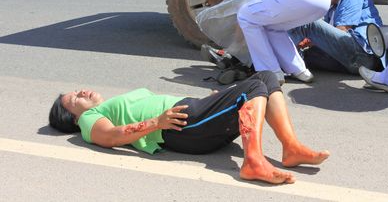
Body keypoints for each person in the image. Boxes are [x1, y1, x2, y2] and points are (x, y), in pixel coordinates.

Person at [49, 71, 330, 185]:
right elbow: (109, 137)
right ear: (72, 117)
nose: (81, 91)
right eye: (74, 98)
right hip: (182, 127)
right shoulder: (88, 121)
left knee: (267, 77)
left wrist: (210, 101)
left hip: (192, 114)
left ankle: (291, 148)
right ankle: (253, 161)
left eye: (76, 90)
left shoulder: (106, 105)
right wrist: (156, 123)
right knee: (255, 86)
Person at [235, 0, 331, 84]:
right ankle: (299, 70)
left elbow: (244, 0)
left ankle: (270, 72)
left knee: (245, 15)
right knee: (272, 26)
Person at [288, 0, 384, 75]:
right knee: (304, 55)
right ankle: (286, 65)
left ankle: (285, 66)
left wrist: (313, 37)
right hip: (350, 63)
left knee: (309, 24)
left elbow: (343, 29)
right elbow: (330, 38)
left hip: (363, 54)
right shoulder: (331, 10)